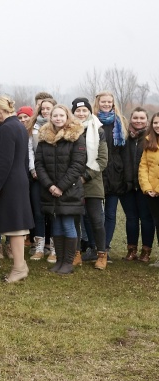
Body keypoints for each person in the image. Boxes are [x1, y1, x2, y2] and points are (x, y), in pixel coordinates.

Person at [34, 104, 87, 274]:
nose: (58, 118)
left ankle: (68, 263)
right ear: (50, 118)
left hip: (69, 190)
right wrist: (50, 186)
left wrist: (61, 187)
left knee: (67, 224)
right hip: (50, 190)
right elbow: (39, 164)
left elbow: (78, 165)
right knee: (56, 224)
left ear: (67, 117)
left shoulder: (76, 137)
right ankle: (59, 261)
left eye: (61, 115)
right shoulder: (44, 138)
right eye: (55, 115)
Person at [0, 95, 34, 283]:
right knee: (18, 225)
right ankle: (21, 264)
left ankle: (18, 268)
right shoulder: (19, 126)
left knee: (15, 227)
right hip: (19, 180)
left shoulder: (7, 128)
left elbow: (5, 160)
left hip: (10, 182)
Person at [71, 97, 109, 269]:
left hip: (92, 181)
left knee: (96, 220)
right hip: (72, 182)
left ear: (89, 111)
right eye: (78, 111)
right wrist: (73, 178)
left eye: (84, 110)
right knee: (75, 220)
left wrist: (85, 177)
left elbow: (102, 160)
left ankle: (101, 254)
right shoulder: (69, 130)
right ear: (73, 113)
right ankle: (76, 253)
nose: (81, 113)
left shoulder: (98, 131)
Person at [93, 91, 128, 256]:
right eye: (103, 102)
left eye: (109, 102)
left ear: (113, 103)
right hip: (97, 171)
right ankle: (94, 245)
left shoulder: (120, 122)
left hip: (115, 172)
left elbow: (124, 150)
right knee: (95, 213)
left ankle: (105, 247)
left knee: (110, 213)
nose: (106, 104)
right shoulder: (93, 121)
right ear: (98, 103)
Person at [27, 97, 57, 262]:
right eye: (43, 108)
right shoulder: (33, 126)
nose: (45, 111)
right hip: (37, 175)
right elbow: (30, 149)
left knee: (52, 212)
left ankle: (53, 248)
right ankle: (39, 247)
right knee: (38, 212)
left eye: (48, 108)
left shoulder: (59, 125)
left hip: (54, 176)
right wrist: (33, 169)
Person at [122, 107, 154, 261]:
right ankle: (131, 249)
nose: (138, 121)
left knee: (146, 218)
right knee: (131, 218)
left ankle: (146, 251)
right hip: (127, 185)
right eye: (135, 118)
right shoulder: (124, 137)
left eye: (142, 118)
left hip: (145, 186)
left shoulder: (150, 138)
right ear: (131, 119)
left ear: (147, 121)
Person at [139, 112, 159, 267]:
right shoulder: (149, 142)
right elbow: (143, 167)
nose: (158, 126)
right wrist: (147, 188)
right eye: (156, 123)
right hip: (151, 193)